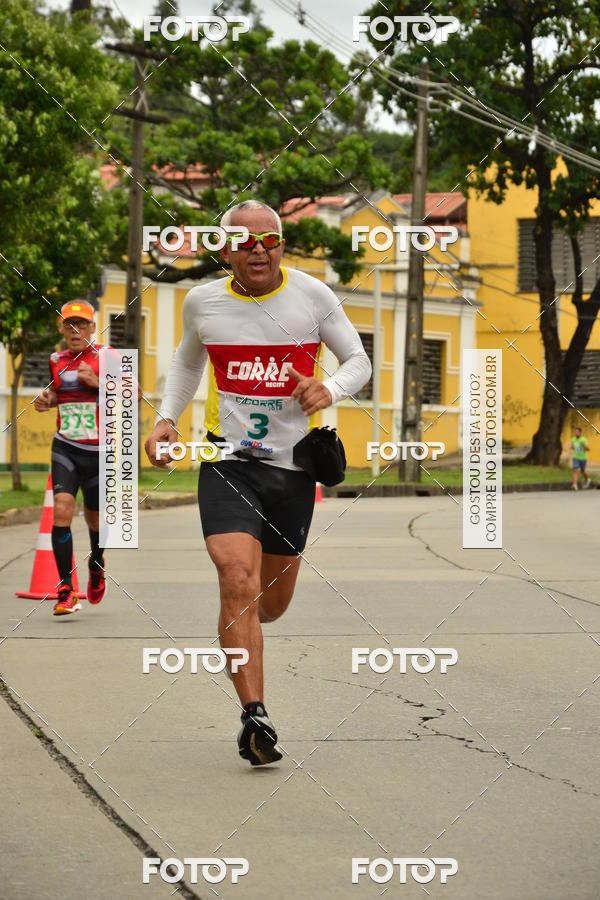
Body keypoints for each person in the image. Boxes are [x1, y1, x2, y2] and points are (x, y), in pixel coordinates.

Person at [145, 200, 371, 766]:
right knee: (235, 577)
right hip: (229, 462)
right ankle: (255, 717)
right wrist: (166, 418)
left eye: (270, 241)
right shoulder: (203, 302)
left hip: (294, 471)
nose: (259, 252)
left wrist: (330, 389)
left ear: (282, 246)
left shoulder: (312, 296)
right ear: (225, 250)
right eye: (246, 243)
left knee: (269, 604)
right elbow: (188, 365)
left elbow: (359, 361)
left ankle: (240, 623)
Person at [34, 300, 108, 615]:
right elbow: (56, 394)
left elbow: (138, 394)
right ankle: (66, 589)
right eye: (69, 325)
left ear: (93, 327)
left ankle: (97, 563)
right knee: (62, 510)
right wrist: (46, 400)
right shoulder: (56, 359)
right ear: (62, 329)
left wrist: (99, 383)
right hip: (65, 447)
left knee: (94, 519)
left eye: (81, 324)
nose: (75, 331)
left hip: (99, 451)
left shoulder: (108, 357)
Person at [571, 426, 591, 490]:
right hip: (576, 457)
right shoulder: (573, 439)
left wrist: (583, 445)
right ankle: (574, 485)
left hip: (583, 458)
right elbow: (572, 447)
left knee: (582, 471)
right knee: (575, 470)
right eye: (575, 432)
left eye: (577, 432)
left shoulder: (583, 439)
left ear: (580, 433)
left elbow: (588, 449)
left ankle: (588, 479)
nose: (576, 433)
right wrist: (572, 447)